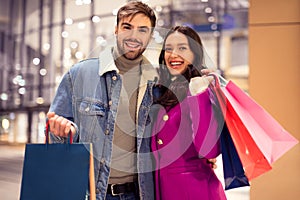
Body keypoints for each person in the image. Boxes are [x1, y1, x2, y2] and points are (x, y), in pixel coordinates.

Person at [47, 1, 157, 200]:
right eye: (127, 27)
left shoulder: (157, 83)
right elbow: (53, 139)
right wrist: (57, 130)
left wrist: (202, 157)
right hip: (90, 193)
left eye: (142, 30)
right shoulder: (78, 75)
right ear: (116, 30)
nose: (134, 36)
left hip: (138, 193)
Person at [151, 26, 227, 200]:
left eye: (182, 48)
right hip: (162, 188)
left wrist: (199, 93)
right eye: (168, 49)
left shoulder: (201, 90)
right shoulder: (160, 91)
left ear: (195, 54)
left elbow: (208, 150)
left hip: (194, 189)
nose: (173, 54)